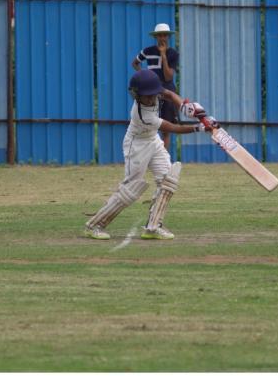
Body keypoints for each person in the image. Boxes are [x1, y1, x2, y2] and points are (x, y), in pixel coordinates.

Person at [84, 69, 216, 241]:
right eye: (146, 96)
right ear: (137, 95)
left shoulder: (154, 91)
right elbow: (172, 128)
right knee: (131, 189)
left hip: (152, 140)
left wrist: (184, 105)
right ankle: (94, 225)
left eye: (152, 95)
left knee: (168, 180)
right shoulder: (141, 114)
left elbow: (168, 93)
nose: (150, 98)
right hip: (136, 145)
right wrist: (198, 127)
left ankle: (153, 227)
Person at [132, 23, 180, 153]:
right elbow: (135, 63)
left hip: (167, 92)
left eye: (165, 35)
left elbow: (168, 77)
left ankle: (163, 160)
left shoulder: (173, 54)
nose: (162, 38)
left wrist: (163, 55)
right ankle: (150, 156)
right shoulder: (148, 51)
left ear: (168, 37)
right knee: (149, 126)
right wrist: (144, 76)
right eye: (160, 35)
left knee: (166, 130)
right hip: (150, 93)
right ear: (156, 37)